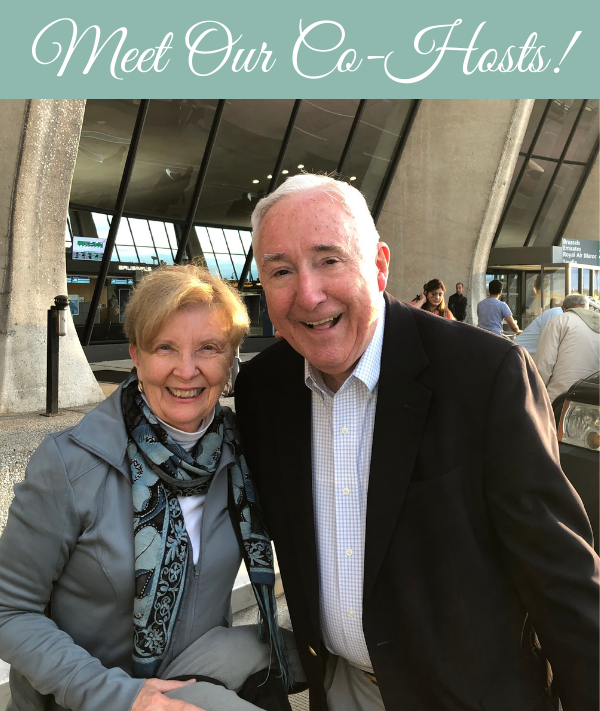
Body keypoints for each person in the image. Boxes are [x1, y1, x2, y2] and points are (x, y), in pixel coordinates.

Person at [234, 174, 598, 711]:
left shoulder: (484, 373)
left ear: (379, 264)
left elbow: (560, 573)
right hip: (341, 691)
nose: (307, 294)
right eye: (281, 270)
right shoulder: (264, 389)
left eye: (329, 260)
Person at [0, 265, 300, 711]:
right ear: (135, 356)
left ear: (231, 361)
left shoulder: (241, 452)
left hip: (196, 666)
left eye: (209, 348)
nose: (186, 370)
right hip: (92, 693)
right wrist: (119, 696)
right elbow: (10, 612)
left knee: (343, 661)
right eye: (165, 347)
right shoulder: (69, 464)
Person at [534, 293, 600, 403]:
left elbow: (544, 362)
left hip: (560, 396)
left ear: (563, 308)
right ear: (587, 307)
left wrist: (536, 391)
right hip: (593, 397)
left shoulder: (559, 320)